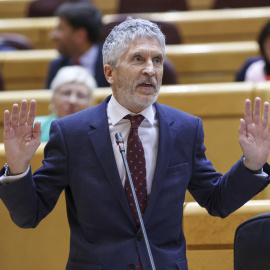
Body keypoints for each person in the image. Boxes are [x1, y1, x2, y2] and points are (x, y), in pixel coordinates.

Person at [1, 17, 270, 270]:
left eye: (157, 60)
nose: (150, 70)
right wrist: (17, 168)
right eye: (138, 59)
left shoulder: (185, 129)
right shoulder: (72, 133)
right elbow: (29, 215)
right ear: (110, 73)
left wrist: (252, 164)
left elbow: (216, 200)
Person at [45, 1, 109, 88]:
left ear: (80, 35)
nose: (53, 35)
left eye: (60, 28)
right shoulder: (57, 66)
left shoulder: (112, 65)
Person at [36, 65, 96, 142]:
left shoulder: (99, 133)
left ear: (90, 102)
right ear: (53, 97)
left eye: (81, 96)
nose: (72, 101)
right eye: (66, 93)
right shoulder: (36, 127)